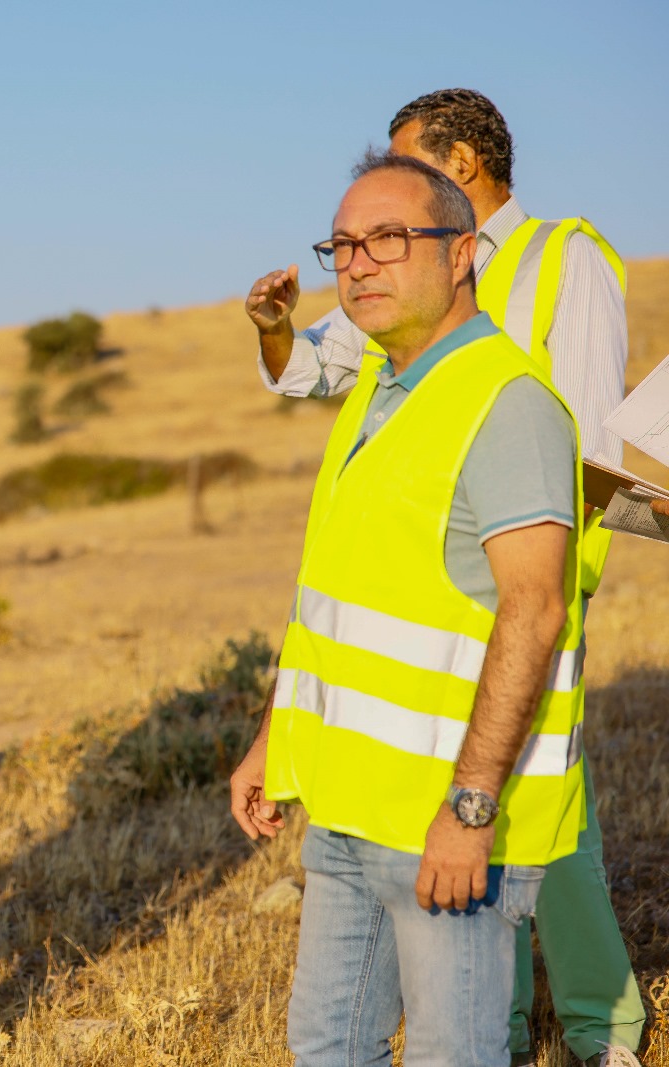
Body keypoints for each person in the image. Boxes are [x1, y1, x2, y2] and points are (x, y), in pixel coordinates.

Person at [244, 89, 641, 1067]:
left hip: (519, 595)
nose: (358, 265)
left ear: (459, 220)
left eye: (388, 236)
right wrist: (273, 735)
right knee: (331, 1044)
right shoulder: (377, 384)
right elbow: (337, 592)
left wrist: (468, 808)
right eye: (344, 246)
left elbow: (579, 454)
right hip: (353, 805)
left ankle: (602, 1029)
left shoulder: (541, 308)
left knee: (548, 842)